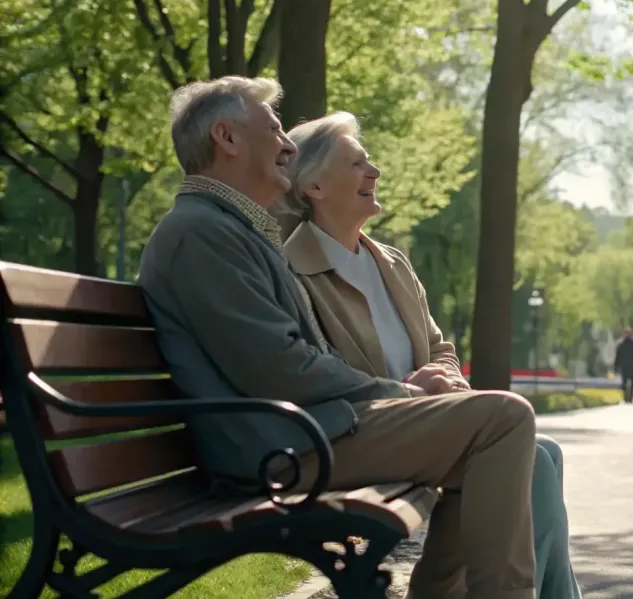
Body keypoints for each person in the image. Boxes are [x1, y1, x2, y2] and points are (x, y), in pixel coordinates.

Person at [137, 77, 537, 599]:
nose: (287, 145)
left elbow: (293, 362)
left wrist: (406, 395)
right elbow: (279, 369)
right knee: (503, 419)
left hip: (300, 432)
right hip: (277, 448)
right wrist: (404, 394)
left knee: (486, 441)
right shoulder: (202, 234)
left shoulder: (231, 230)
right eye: (274, 129)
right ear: (227, 138)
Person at [274, 111, 581, 599]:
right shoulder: (292, 269)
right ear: (314, 186)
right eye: (357, 163)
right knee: (533, 462)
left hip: (424, 422)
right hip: (365, 429)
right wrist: (413, 390)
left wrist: (446, 376)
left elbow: (439, 347)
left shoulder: (392, 262)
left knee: (546, 452)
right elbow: (319, 372)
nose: (374, 171)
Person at [614, 329, 633, 404]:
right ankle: (631, 398)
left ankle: (625, 397)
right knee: (632, 382)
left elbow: (618, 356)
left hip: (624, 367)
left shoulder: (621, 344)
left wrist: (616, 366)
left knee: (624, 382)